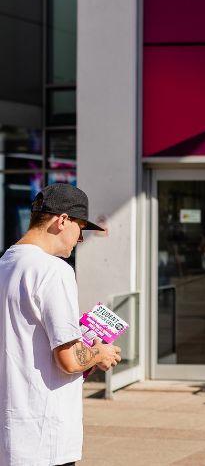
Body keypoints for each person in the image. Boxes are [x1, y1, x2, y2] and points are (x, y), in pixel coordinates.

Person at [0, 183, 122, 466]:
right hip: (44, 437)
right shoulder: (54, 271)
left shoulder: (5, 264)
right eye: (80, 230)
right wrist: (100, 354)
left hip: (10, 436)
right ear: (62, 221)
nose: (79, 240)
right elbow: (69, 359)